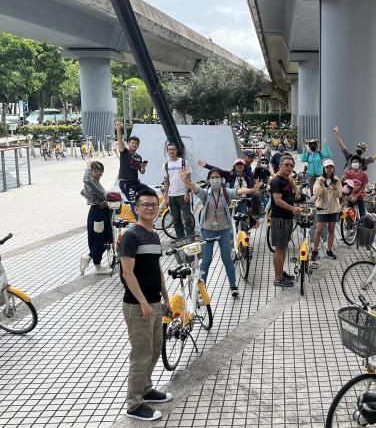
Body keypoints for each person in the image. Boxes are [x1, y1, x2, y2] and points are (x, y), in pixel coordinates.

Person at [119, 189, 172, 421]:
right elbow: (127, 273)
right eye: (145, 205)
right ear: (136, 208)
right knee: (140, 354)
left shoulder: (153, 235)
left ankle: (146, 388)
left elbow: (156, 268)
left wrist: (165, 297)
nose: (150, 208)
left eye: (154, 204)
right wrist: (142, 302)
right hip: (137, 305)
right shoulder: (131, 236)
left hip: (154, 302)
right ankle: (134, 404)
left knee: (154, 349)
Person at [180, 167, 261, 296]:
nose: (215, 180)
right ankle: (202, 288)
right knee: (206, 260)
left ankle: (233, 286)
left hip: (224, 230)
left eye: (217, 177)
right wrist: (186, 182)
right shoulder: (205, 193)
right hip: (208, 230)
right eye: (212, 178)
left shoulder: (226, 192)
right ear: (208, 180)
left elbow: (239, 191)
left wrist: (252, 190)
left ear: (221, 179)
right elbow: (196, 189)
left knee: (227, 259)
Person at [271, 156, 301, 287]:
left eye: (291, 165)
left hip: (286, 217)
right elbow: (277, 200)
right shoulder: (276, 181)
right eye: (286, 165)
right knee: (279, 248)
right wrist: (293, 208)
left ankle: (281, 273)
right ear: (280, 166)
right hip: (280, 218)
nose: (289, 167)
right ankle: (278, 279)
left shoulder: (287, 179)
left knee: (283, 247)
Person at [80, 160, 113, 275]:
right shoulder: (90, 181)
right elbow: (86, 180)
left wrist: (95, 200)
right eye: (96, 170)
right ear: (91, 171)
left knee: (108, 239)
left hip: (102, 212)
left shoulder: (96, 182)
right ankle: (97, 266)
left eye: (101, 170)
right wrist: (88, 167)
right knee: (99, 239)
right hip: (97, 214)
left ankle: (89, 257)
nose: (99, 172)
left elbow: (83, 192)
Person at [116, 120, 149, 216]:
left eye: (136, 144)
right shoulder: (124, 152)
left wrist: (142, 167)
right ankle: (141, 225)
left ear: (138, 146)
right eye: (132, 143)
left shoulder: (139, 157)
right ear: (128, 144)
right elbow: (120, 141)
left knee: (151, 193)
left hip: (136, 182)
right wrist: (118, 128)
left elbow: (141, 172)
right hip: (126, 183)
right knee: (134, 203)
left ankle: (146, 216)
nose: (134, 145)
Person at [161, 143, 194, 239]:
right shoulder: (165, 165)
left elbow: (188, 179)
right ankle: (181, 239)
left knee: (187, 218)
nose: (171, 151)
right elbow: (166, 182)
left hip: (183, 194)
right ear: (167, 151)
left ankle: (190, 238)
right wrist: (166, 197)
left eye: (173, 149)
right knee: (176, 219)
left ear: (176, 150)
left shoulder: (184, 162)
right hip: (172, 196)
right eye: (169, 149)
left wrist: (187, 192)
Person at [311, 159, 342, 260]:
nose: (329, 169)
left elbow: (339, 195)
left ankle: (329, 250)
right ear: (324, 168)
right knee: (318, 229)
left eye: (330, 167)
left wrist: (335, 188)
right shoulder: (319, 179)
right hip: (322, 208)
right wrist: (320, 184)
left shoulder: (337, 180)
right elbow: (316, 194)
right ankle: (315, 250)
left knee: (331, 230)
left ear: (333, 168)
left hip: (333, 209)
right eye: (327, 167)